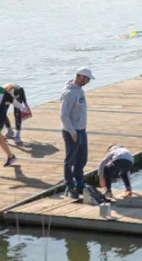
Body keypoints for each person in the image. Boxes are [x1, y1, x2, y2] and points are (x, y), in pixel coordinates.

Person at [61, 67, 94, 199]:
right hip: (72, 132)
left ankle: (79, 183)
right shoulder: (69, 93)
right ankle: (70, 186)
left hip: (81, 130)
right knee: (70, 159)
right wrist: (72, 131)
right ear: (81, 77)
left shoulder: (79, 90)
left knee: (82, 159)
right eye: (87, 79)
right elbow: (63, 115)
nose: (88, 81)